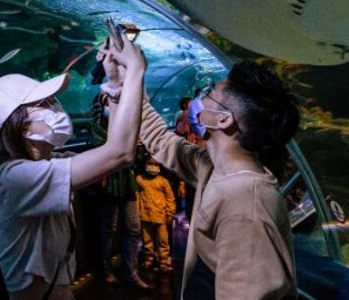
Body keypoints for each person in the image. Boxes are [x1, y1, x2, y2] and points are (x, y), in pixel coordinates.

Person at [106, 50, 301, 299]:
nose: (201, 96)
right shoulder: (216, 168)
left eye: (209, 92)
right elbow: (161, 140)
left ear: (223, 120)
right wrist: (126, 78)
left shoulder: (245, 207)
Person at [0, 32, 144, 300]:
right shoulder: (16, 177)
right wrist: (135, 69)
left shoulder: (48, 164)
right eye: (43, 103)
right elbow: (119, 152)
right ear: (19, 123)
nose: (56, 108)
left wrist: (114, 83)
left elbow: (110, 150)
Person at [87, 91, 148, 289]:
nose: (111, 107)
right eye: (107, 102)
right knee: (109, 229)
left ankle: (131, 273)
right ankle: (105, 269)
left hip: (126, 181)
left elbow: (137, 155)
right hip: (108, 183)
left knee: (134, 228)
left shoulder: (126, 128)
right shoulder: (96, 131)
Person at [135, 157, 176, 274]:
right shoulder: (140, 179)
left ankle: (164, 261)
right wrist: (137, 212)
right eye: (149, 163)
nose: (152, 166)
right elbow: (137, 196)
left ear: (159, 166)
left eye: (155, 164)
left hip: (160, 216)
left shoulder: (163, 181)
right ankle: (149, 258)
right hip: (145, 215)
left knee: (163, 240)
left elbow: (170, 198)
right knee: (147, 240)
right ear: (145, 164)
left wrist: (170, 213)